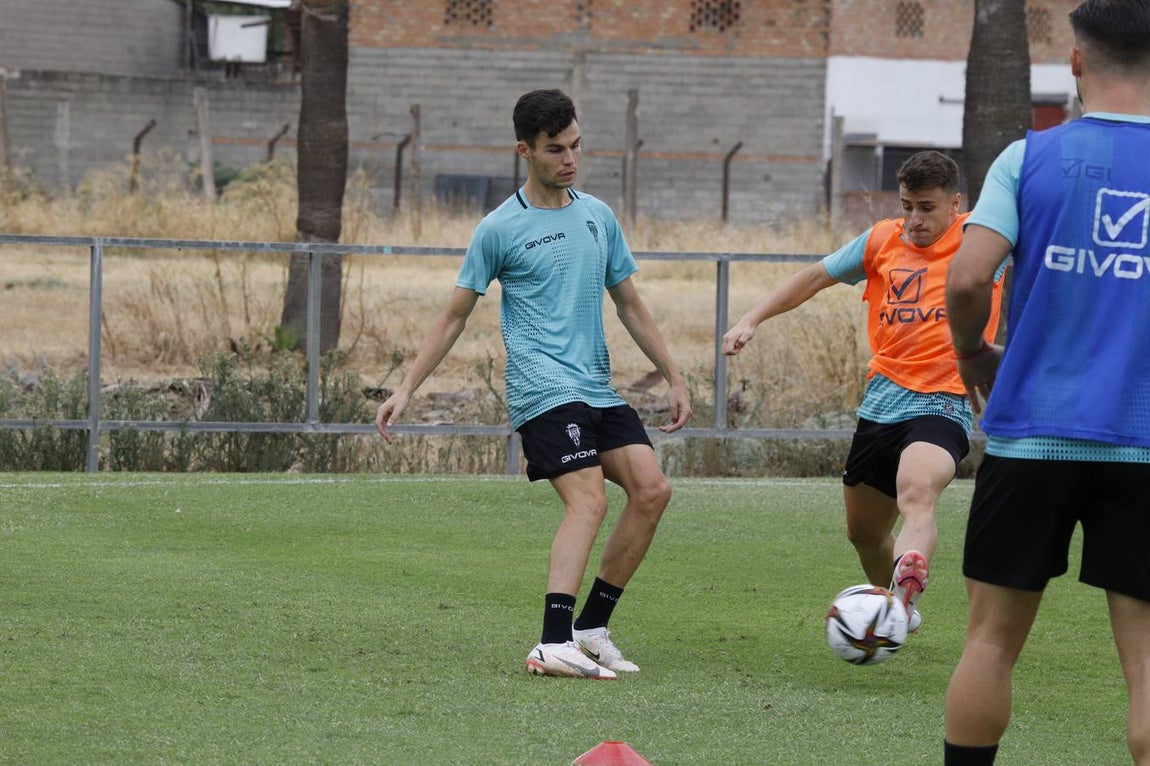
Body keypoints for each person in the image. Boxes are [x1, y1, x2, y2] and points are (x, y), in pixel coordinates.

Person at [374, 89, 692, 680]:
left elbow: (630, 303)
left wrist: (674, 375)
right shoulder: (499, 228)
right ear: (524, 150)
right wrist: (407, 388)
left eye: (575, 146)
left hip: (595, 387)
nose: (569, 159)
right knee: (590, 498)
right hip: (542, 388)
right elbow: (453, 316)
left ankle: (591, 628)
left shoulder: (598, 215)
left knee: (652, 491)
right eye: (555, 149)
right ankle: (552, 641)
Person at [943, 1, 1150, 763]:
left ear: (1075, 62)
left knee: (990, 643)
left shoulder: (1026, 158)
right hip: (1146, 443)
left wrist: (973, 354)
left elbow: (967, 279)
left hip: (1032, 434)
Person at [723, 150, 1003, 632]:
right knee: (864, 532)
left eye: (928, 208)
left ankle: (908, 576)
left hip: (942, 400)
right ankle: (899, 607)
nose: (914, 219)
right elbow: (814, 277)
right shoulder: (880, 240)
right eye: (907, 205)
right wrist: (751, 318)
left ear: (956, 203)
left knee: (917, 491)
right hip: (881, 402)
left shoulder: (983, 239)